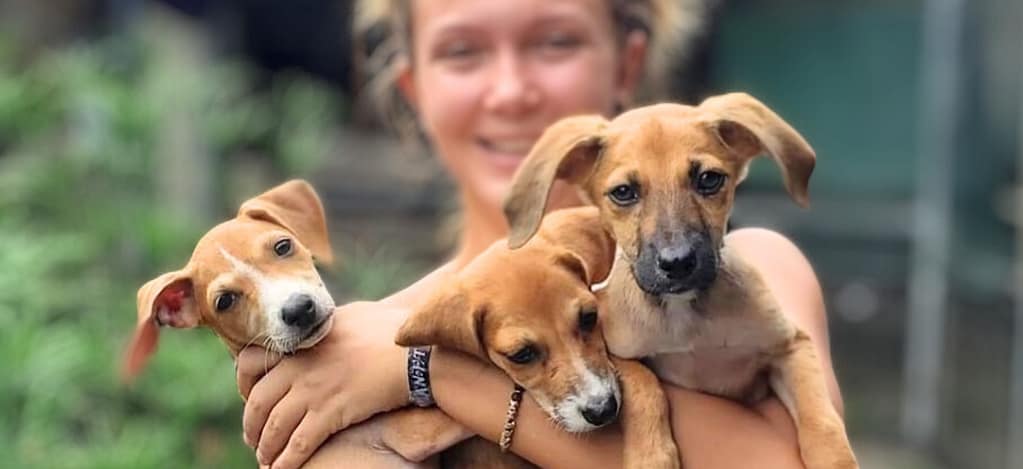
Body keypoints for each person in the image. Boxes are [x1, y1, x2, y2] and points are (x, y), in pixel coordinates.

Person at [235, 0, 846, 468]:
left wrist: (426, 374)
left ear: (628, 62)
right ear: (414, 90)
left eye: (555, 42)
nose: (511, 92)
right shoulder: (377, 332)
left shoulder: (756, 268)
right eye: (462, 51)